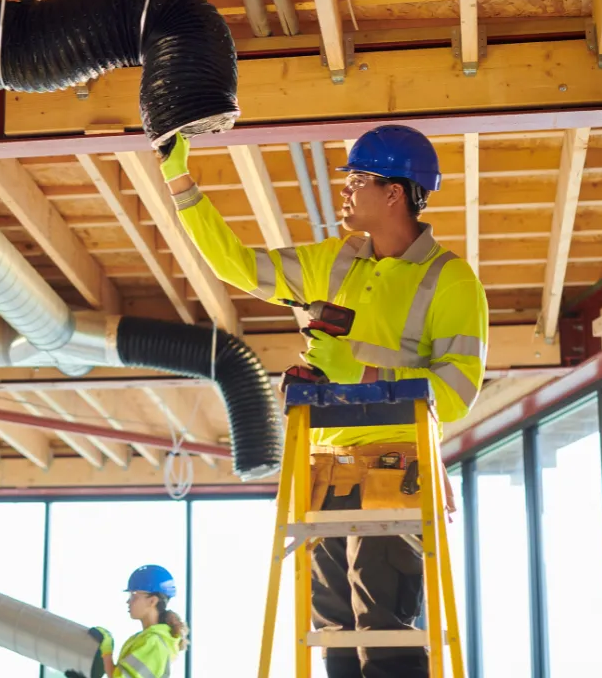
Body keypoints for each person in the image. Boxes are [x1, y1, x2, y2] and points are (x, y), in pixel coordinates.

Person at [158, 125, 489, 678]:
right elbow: (235, 265)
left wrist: (359, 371)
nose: (346, 191)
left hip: (395, 467)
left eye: (358, 179)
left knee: (385, 631)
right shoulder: (335, 261)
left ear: (395, 193)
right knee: (334, 633)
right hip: (326, 470)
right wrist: (179, 179)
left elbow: (456, 397)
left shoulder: (450, 281)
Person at [93, 565, 189, 678]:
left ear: (152, 601)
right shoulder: (144, 639)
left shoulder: (154, 642)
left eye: (134, 595)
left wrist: (107, 652)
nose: (128, 601)